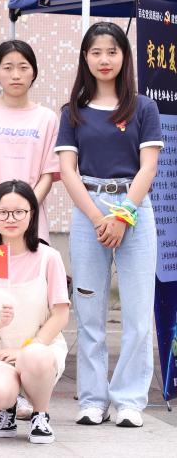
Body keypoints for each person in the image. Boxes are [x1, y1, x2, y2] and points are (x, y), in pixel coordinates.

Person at [56, 21, 162, 429]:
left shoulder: (144, 108)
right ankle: (92, 400)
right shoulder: (73, 111)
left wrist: (122, 216)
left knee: (137, 314)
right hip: (89, 211)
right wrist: (99, 217)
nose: (104, 59)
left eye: (112, 51)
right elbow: (68, 171)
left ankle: (130, 401)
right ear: (85, 57)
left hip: (134, 210)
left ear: (124, 57)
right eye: (96, 52)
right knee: (89, 314)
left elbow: (148, 167)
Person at [0, 39, 59, 420]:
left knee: (32, 306)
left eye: (23, 67)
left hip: (30, 227)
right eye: (7, 67)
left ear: (34, 72)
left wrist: (24, 213)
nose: (15, 74)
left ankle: (29, 389)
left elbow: (48, 174)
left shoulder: (46, 119)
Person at [0, 180, 69, 445]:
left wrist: (28, 348)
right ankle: (7, 408)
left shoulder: (49, 257)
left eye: (19, 212)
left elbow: (60, 314)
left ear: (31, 214)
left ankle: (40, 415)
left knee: (35, 357)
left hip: (40, 347)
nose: (10, 219)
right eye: (3, 212)